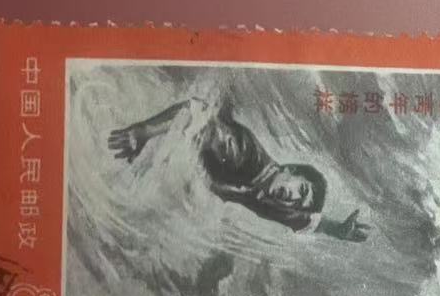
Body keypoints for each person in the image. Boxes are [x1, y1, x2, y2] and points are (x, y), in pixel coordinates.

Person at [108, 96, 370, 241]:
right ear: (290, 170)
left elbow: (311, 221)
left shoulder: (279, 204)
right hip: (188, 141)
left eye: (298, 202)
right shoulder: (246, 154)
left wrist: (338, 231)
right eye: (300, 189)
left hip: (191, 166)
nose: (293, 198)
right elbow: (196, 112)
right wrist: (143, 132)